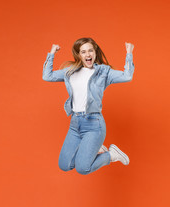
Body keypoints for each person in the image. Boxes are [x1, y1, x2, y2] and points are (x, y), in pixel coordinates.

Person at [42, 37, 134, 175]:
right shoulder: (71, 71)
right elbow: (47, 76)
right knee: (65, 165)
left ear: (95, 52)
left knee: (82, 168)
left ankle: (111, 155)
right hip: (75, 123)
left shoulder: (103, 72)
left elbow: (127, 76)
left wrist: (129, 53)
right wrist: (52, 53)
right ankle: (95, 147)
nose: (88, 54)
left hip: (94, 124)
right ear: (79, 55)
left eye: (90, 50)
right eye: (83, 52)